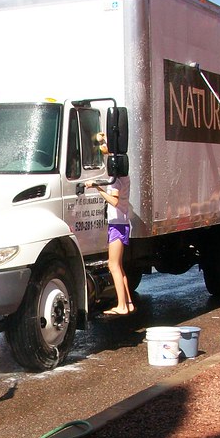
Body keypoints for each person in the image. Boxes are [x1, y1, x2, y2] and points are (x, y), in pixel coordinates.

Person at [86, 134, 134, 316]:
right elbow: (109, 153)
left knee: (112, 265)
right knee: (119, 266)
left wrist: (97, 188)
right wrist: (103, 141)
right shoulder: (125, 177)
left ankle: (121, 306)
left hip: (117, 225)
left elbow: (113, 201)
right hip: (122, 223)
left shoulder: (117, 181)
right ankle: (128, 302)